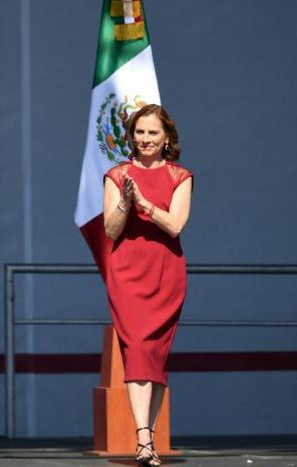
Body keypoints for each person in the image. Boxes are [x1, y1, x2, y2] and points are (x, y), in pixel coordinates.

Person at [102, 104, 193, 466]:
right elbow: (110, 229)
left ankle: (149, 440)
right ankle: (142, 440)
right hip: (128, 275)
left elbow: (176, 226)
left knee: (155, 358)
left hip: (166, 273)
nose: (145, 139)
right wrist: (126, 203)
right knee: (138, 349)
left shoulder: (180, 176)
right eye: (139, 133)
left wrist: (145, 204)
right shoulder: (116, 174)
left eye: (153, 133)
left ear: (167, 137)